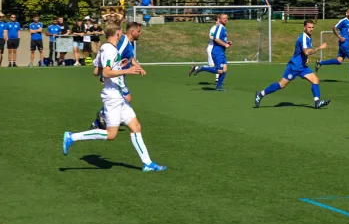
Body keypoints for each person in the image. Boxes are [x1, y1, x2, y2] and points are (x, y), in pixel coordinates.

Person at [62, 21, 167, 172]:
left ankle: (148, 163)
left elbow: (96, 71)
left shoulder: (105, 49)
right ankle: (72, 137)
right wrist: (126, 71)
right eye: (120, 33)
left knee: (136, 126)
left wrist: (121, 67)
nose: (121, 35)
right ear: (117, 33)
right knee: (111, 134)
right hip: (112, 97)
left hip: (118, 95)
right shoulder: (110, 50)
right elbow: (105, 72)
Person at [254, 20, 331, 109]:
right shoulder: (303, 38)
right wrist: (320, 48)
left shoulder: (308, 37)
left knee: (315, 80)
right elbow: (306, 52)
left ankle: (317, 102)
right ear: (304, 27)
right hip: (294, 66)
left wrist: (305, 58)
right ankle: (260, 94)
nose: (311, 29)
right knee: (282, 85)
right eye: (309, 27)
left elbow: (303, 52)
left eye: (312, 27)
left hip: (302, 67)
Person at [90, 22, 145, 130]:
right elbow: (112, 58)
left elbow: (131, 59)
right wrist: (104, 76)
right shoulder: (123, 43)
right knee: (126, 98)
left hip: (119, 77)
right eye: (139, 31)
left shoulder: (130, 43)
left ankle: (109, 120)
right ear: (132, 32)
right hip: (115, 78)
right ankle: (101, 120)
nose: (140, 33)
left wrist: (139, 67)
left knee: (126, 98)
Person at [315, 8, 349, 83]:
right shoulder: (343, 21)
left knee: (339, 61)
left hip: (346, 44)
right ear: (346, 13)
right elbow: (334, 28)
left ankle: (320, 62)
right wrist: (340, 37)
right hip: (344, 44)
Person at [188, 13, 231, 91]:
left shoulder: (223, 28)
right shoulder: (219, 27)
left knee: (224, 69)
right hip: (217, 52)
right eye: (223, 18)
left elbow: (219, 39)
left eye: (226, 18)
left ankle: (219, 87)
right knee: (220, 70)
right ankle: (202, 68)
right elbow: (216, 39)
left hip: (221, 52)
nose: (225, 19)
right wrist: (225, 44)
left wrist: (226, 42)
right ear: (220, 19)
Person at [206, 16, 220, 83]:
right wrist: (217, 39)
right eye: (219, 20)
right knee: (211, 67)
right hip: (211, 49)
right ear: (216, 21)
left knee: (219, 64)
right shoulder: (213, 28)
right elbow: (211, 36)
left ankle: (217, 79)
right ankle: (198, 68)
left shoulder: (221, 29)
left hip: (218, 49)